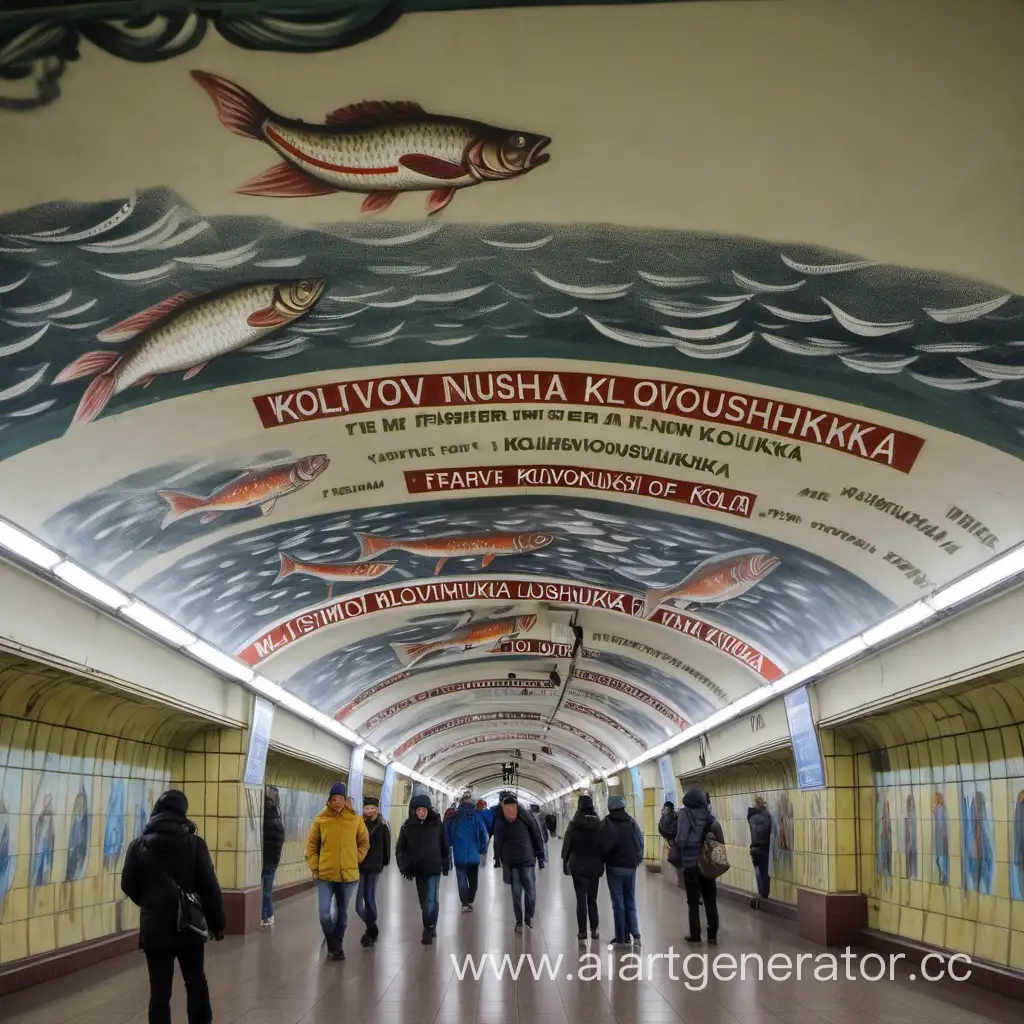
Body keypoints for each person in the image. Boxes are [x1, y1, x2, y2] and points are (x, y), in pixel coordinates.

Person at [121, 789, 226, 1024]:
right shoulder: (195, 845)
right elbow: (210, 887)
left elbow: (127, 884)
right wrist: (217, 924)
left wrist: (149, 903)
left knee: (159, 990)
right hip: (189, 927)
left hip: (154, 929)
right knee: (196, 981)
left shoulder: (138, 846)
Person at [305, 782, 370, 960]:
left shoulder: (355, 819)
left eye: (340, 799)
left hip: (348, 877)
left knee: (342, 913)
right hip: (325, 875)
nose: (337, 803)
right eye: (334, 800)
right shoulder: (321, 819)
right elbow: (311, 846)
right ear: (329, 801)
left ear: (345, 799)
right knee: (325, 913)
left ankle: (337, 945)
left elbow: (364, 842)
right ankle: (331, 940)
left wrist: (356, 858)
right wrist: (315, 866)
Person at [395, 793, 451, 944]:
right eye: (419, 810)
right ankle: (431, 926)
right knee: (425, 900)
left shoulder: (437, 824)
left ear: (428, 810)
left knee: (431, 900)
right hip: (418, 869)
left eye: (424, 810)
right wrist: (404, 865)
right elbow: (400, 849)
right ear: (414, 810)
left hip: (433, 867)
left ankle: (428, 928)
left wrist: (446, 862)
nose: (421, 813)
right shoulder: (407, 827)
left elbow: (444, 844)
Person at [676, 786, 725, 944]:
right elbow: (718, 833)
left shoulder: (685, 813)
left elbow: (681, 839)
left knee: (693, 902)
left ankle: (696, 935)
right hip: (707, 864)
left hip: (691, 865)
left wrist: (681, 844)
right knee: (710, 900)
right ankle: (712, 935)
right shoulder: (708, 815)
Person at [493, 795, 545, 932]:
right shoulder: (525, 815)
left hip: (511, 861)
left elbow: (497, 840)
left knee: (516, 894)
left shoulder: (500, 818)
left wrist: (497, 857)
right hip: (527, 859)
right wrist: (540, 855)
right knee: (531, 892)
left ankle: (519, 923)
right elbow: (536, 834)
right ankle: (529, 918)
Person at [601, 794, 644, 947]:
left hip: (614, 867)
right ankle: (636, 935)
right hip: (630, 866)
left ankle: (621, 938)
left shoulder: (606, 822)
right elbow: (639, 841)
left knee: (618, 903)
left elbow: (603, 845)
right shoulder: (631, 821)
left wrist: (604, 859)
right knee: (630, 900)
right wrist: (637, 859)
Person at [561, 793, 604, 941]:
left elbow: (566, 846)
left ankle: (582, 932)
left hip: (578, 866)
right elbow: (603, 845)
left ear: (579, 806)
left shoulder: (574, 824)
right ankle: (595, 930)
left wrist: (564, 862)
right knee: (592, 899)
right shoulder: (599, 824)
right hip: (594, 866)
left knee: (581, 900)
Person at [356, 796, 391, 946]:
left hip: (374, 866)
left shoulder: (382, 825)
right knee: (358, 904)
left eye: (372, 808)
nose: (369, 811)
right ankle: (372, 927)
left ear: (376, 809)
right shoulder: (359, 824)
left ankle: (371, 931)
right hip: (361, 865)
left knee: (369, 898)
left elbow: (387, 845)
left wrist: (384, 862)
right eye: (367, 808)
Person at [447, 792, 490, 910]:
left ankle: (465, 904)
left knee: (461, 879)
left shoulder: (455, 816)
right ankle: (470, 899)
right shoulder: (477, 816)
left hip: (459, 854)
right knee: (473, 880)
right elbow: (485, 834)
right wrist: (482, 848)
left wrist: (450, 846)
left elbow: (448, 833)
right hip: (473, 854)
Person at [261, 785, 285, 928]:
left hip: (268, 860)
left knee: (266, 891)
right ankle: (266, 915)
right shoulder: (277, 821)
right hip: (273, 859)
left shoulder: (267, 822)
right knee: (267, 890)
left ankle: (268, 915)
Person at [747, 796, 773, 906]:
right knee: (764, 873)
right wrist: (765, 812)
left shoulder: (751, 817)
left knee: (758, 871)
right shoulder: (765, 816)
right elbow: (768, 829)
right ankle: (764, 895)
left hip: (753, 848)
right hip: (763, 847)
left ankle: (760, 893)